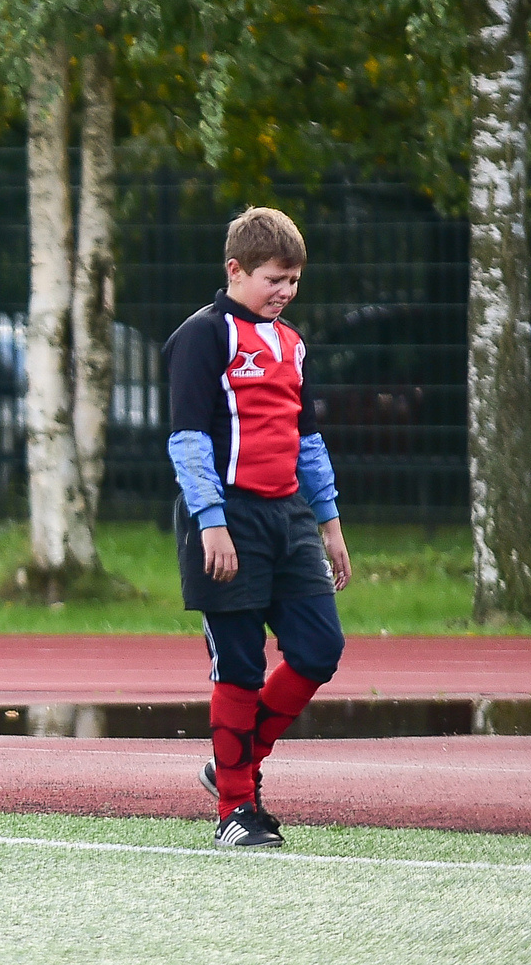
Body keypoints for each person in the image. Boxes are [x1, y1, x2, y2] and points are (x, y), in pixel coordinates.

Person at [165, 206, 351, 849]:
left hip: (289, 517)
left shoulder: (292, 344)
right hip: (229, 518)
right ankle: (234, 810)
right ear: (235, 270)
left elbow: (308, 441)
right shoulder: (202, 336)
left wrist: (329, 522)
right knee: (240, 665)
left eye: (294, 280)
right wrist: (211, 522)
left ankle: (232, 765)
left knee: (320, 648)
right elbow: (188, 439)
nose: (285, 291)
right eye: (274, 279)